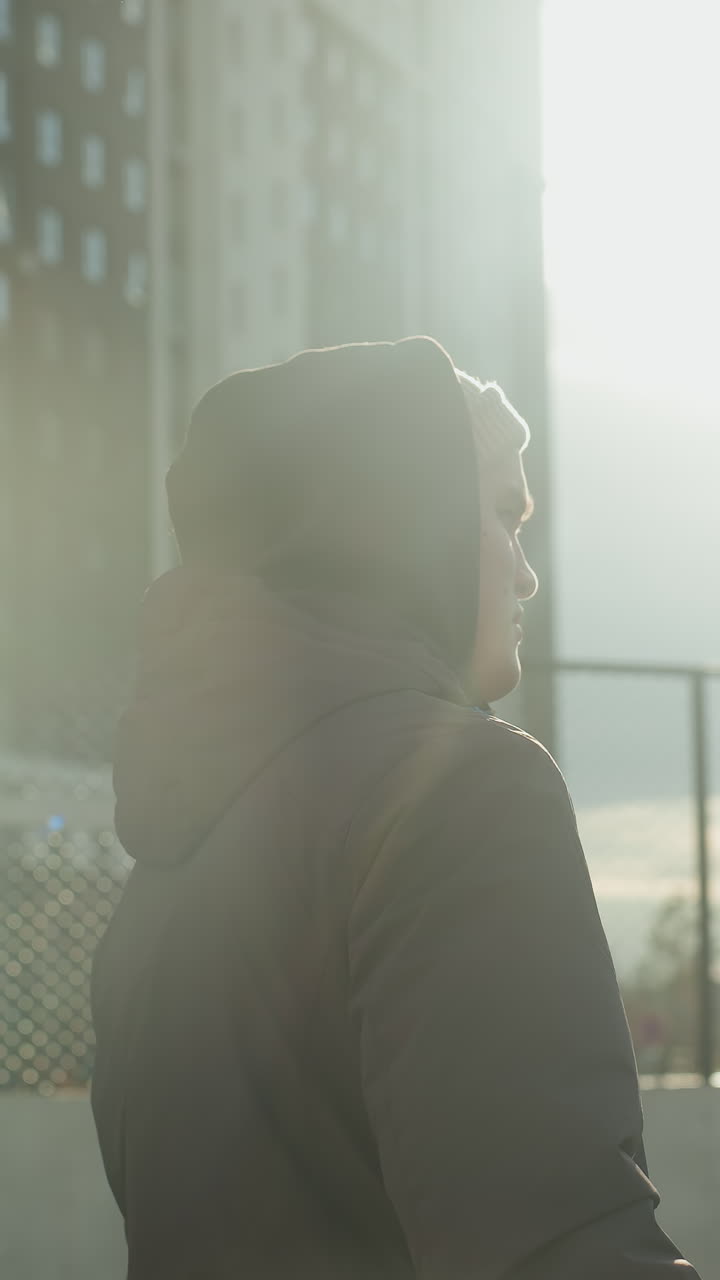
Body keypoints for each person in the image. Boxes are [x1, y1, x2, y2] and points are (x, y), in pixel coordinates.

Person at [90, 337, 700, 1278]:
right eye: (505, 513)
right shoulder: (463, 791)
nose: (528, 573)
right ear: (406, 527)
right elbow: (555, 1244)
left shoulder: (172, 857)